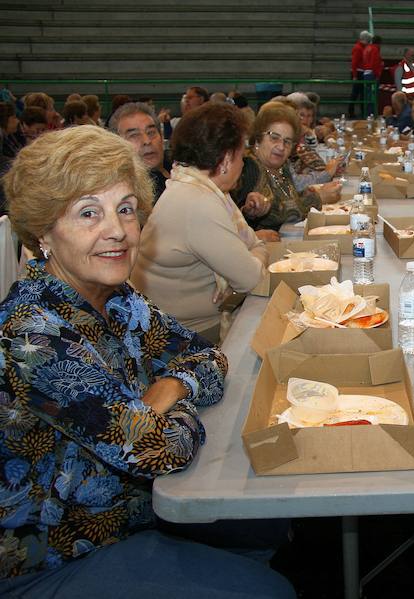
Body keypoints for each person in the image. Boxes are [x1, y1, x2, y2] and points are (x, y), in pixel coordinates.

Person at [0, 125, 294, 598]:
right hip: (60, 552)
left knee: (269, 523)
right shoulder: (32, 336)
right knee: (268, 591)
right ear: (43, 231)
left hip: (134, 509)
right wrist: (158, 412)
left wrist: (167, 388)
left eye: (126, 209)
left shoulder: (117, 299)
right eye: (88, 213)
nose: (116, 230)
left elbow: (208, 358)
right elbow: (159, 449)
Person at [131, 102, 268, 343]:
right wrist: (245, 265)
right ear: (226, 160)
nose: (243, 164)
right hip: (187, 339)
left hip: (190, 327)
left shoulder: (200, 188)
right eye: (241, 156)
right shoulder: (199, 202)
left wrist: (246, 263)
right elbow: (253, 279)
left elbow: (255, 247)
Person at [232, 103, 334, 241]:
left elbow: (287, 200)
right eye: (274, 137)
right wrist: (317, 199)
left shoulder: (282, 166)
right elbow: (277, 213)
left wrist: (303, 194)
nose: (281, 146)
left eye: (287, 141)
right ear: (258, 138)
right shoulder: (248, 168)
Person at [108, 102, 169, 202]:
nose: (147, 141)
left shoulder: (182, 169)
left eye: (151, 132)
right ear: (117, 146)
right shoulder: (128, 195)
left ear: (162, 138)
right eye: (134, 135)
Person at [348, 30, 372, 118]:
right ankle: (354, 111)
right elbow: (354, 63)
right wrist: (354, 76)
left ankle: (358, 112)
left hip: (359, 72)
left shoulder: (360, 47)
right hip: (358, 73)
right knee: (357, 93)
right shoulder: (358, 48)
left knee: (360, 93)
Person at [361, 34, 383, 117]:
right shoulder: (375, 49)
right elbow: (375, 63)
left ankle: (367, 114)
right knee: (373, 96)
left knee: (367, 95)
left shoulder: (367, 48)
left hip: (366, 73)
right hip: (372, 74)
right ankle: (371, 114)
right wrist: (377, 75)